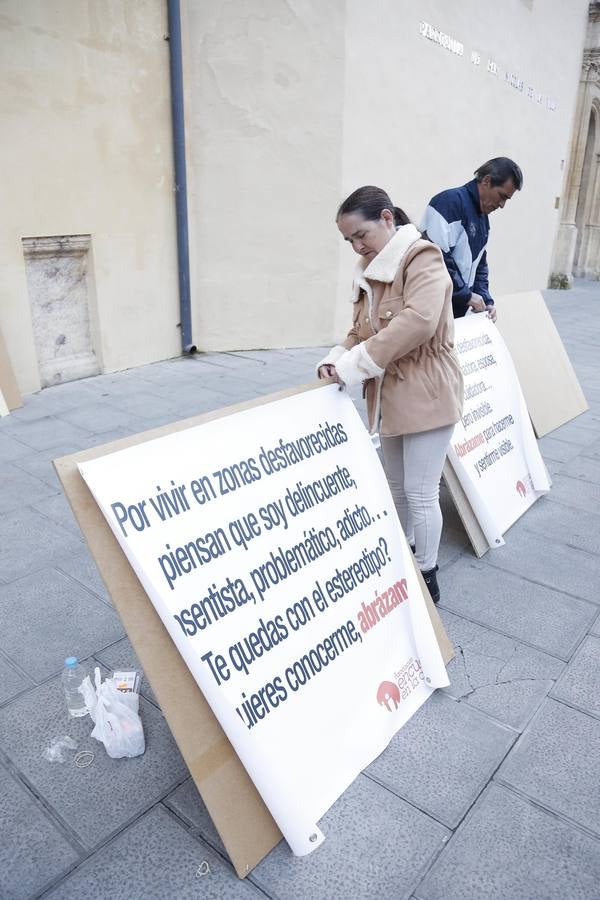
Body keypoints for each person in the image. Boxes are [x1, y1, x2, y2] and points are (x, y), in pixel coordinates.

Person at [317, 186, 463, 604]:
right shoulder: (370, 266)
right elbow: (360, 330)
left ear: (386, 218)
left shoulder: (422, 256)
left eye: (360, 234)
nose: (356, 245)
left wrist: (356, 363)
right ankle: (398, 558)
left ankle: (427, 573)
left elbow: (418, 321)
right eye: (349, 240)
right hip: (392, 393)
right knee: (396, 487)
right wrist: (337, 358)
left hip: (428, 390)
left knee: (420, 492)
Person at [420, 157, 523, 321]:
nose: (502, 205)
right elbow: (434, 258)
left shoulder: (483, 219)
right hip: (431, 312)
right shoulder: (449, 202)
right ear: (487, 181)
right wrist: (466, 296)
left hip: (454, 314)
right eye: (502, 196)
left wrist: (485, 299)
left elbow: (480, 265)